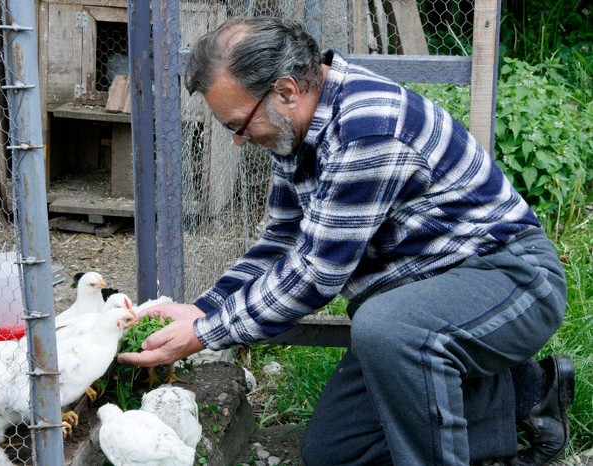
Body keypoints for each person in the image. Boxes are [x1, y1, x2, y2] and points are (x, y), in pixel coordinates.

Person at [117, 16, 574, 465]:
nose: (237, 140)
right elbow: (281, 242)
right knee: (334, 452)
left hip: (509, 282)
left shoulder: (367, 128)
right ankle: (525, 396)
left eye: (237, 123)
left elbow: (317, 273)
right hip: (421, 304)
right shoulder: (299, 128)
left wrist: (204, 334)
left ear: (286, 90)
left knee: (385, 329)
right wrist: (204, 308)